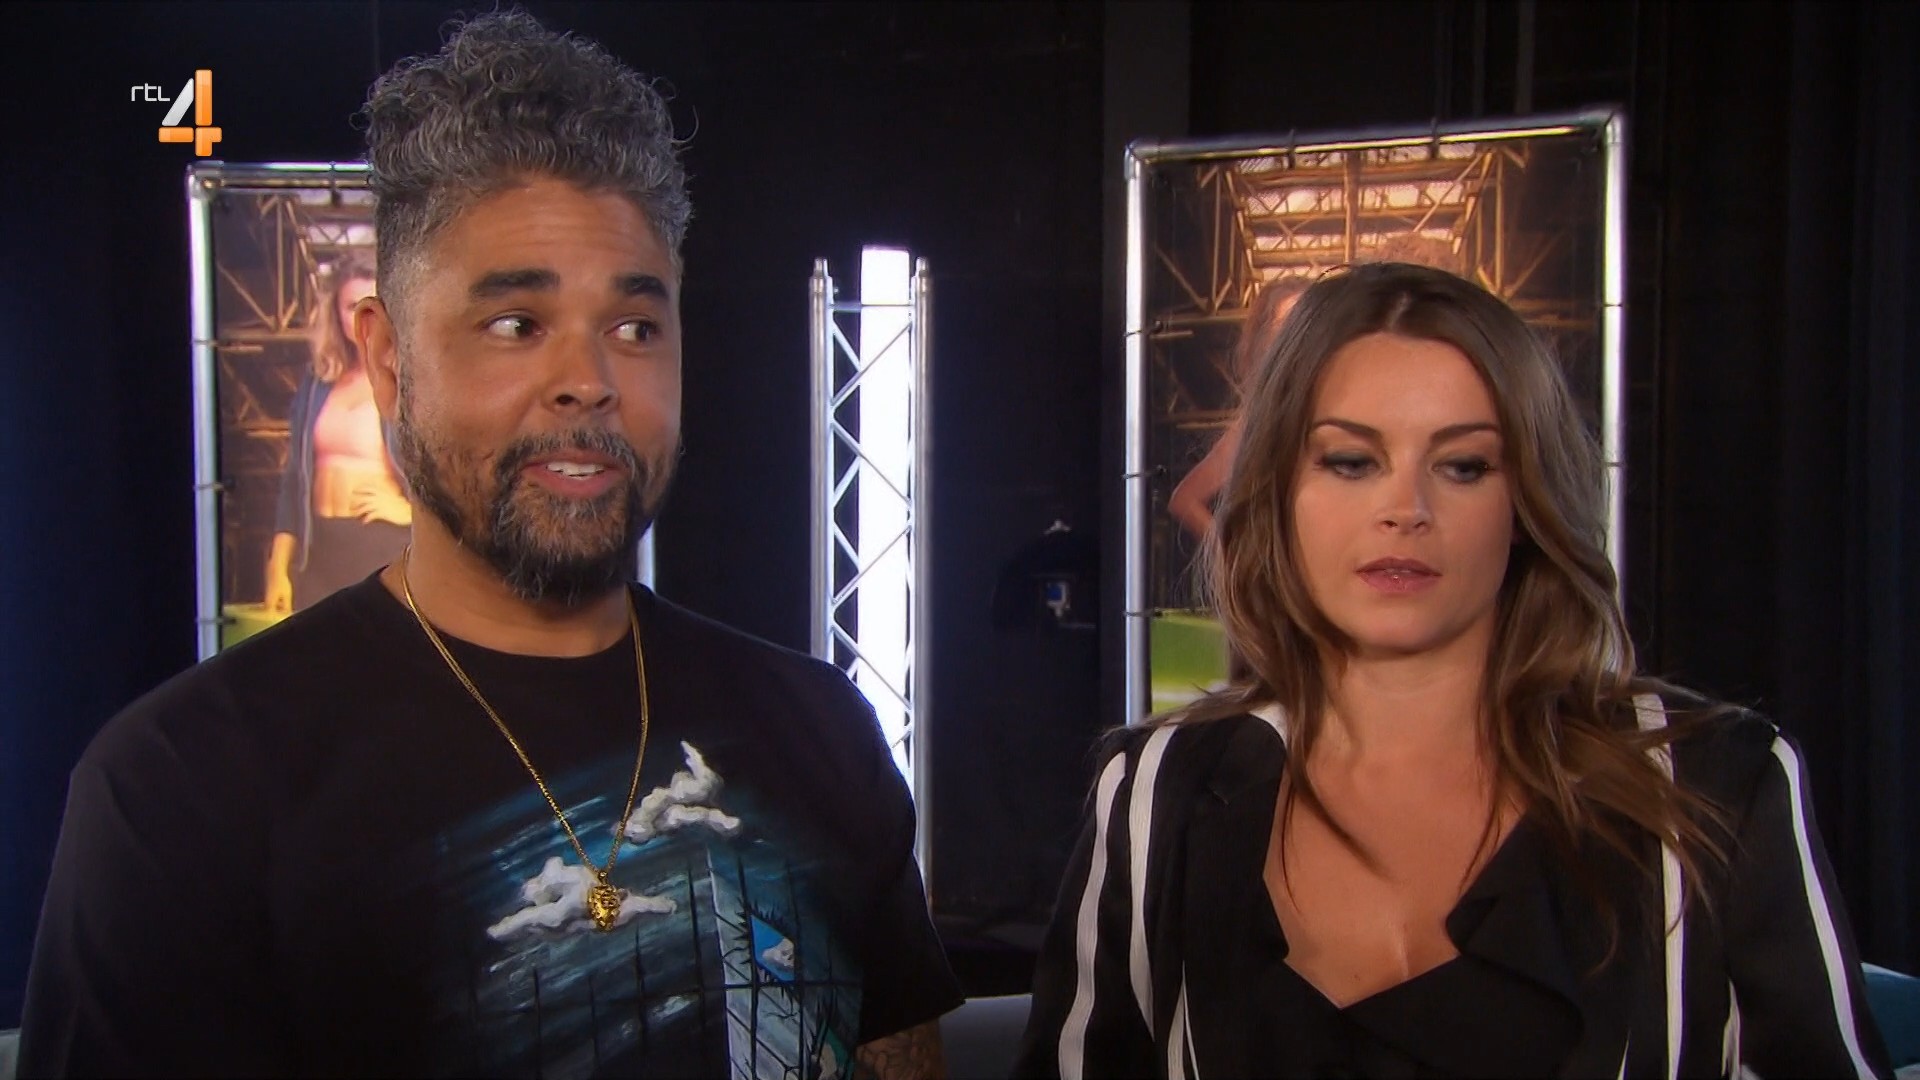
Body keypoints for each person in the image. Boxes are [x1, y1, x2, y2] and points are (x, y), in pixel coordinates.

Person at [21, 12, 960, 1079]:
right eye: (516, 324)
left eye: (635, 328)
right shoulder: (182, 788)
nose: (587, 380)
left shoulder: (821, 733)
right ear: (387, 361)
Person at [1015, 262, 1892, 1078]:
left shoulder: (1714, 786)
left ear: (1526, 503)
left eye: (1464, 465)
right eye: (1351, 461)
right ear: (1277, 491)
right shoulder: (1153, 794)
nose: (1406, 509)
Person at [263, 248, 413, 614]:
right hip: (317, 550)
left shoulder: (412, 382)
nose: (363, 319)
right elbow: (294, 481)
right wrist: (277, 566)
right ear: (335, 313)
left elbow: (457, 466)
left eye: (375, 305)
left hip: (381, 546)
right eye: (351, 307)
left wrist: (410, 511)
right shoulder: (318, 382)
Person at [1165, 277, 1309, 543]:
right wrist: (1230, 555)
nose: (1294, 338)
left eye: (1303, 324)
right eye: (1285, 326)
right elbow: (1184, 500)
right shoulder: (1258, 420)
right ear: (1266, 341)